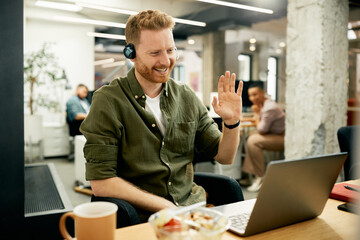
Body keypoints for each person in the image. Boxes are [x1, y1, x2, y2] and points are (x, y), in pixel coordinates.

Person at [80, 10, 244, 227]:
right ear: (131, 53)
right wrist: (165, 206)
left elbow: (225, 156)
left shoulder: (185, 96)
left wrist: (232, 123)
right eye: (155, 53)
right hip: (140, 216)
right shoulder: (108, 101)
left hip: (192, 211)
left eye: (170, 50)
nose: (166, 60)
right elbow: (101, 182)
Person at [241, 83, 285, 192]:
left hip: (282, 138)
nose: (252, 98)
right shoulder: (263, 104)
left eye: (255, 94)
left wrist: (256, 114)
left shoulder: (270, 107)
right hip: (273, 135)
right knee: (249, 139)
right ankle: (251, 175)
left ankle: (260, 176)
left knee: (253, 141)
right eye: (250, 95)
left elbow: (262, 129)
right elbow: (262, 122)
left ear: (262, 93)